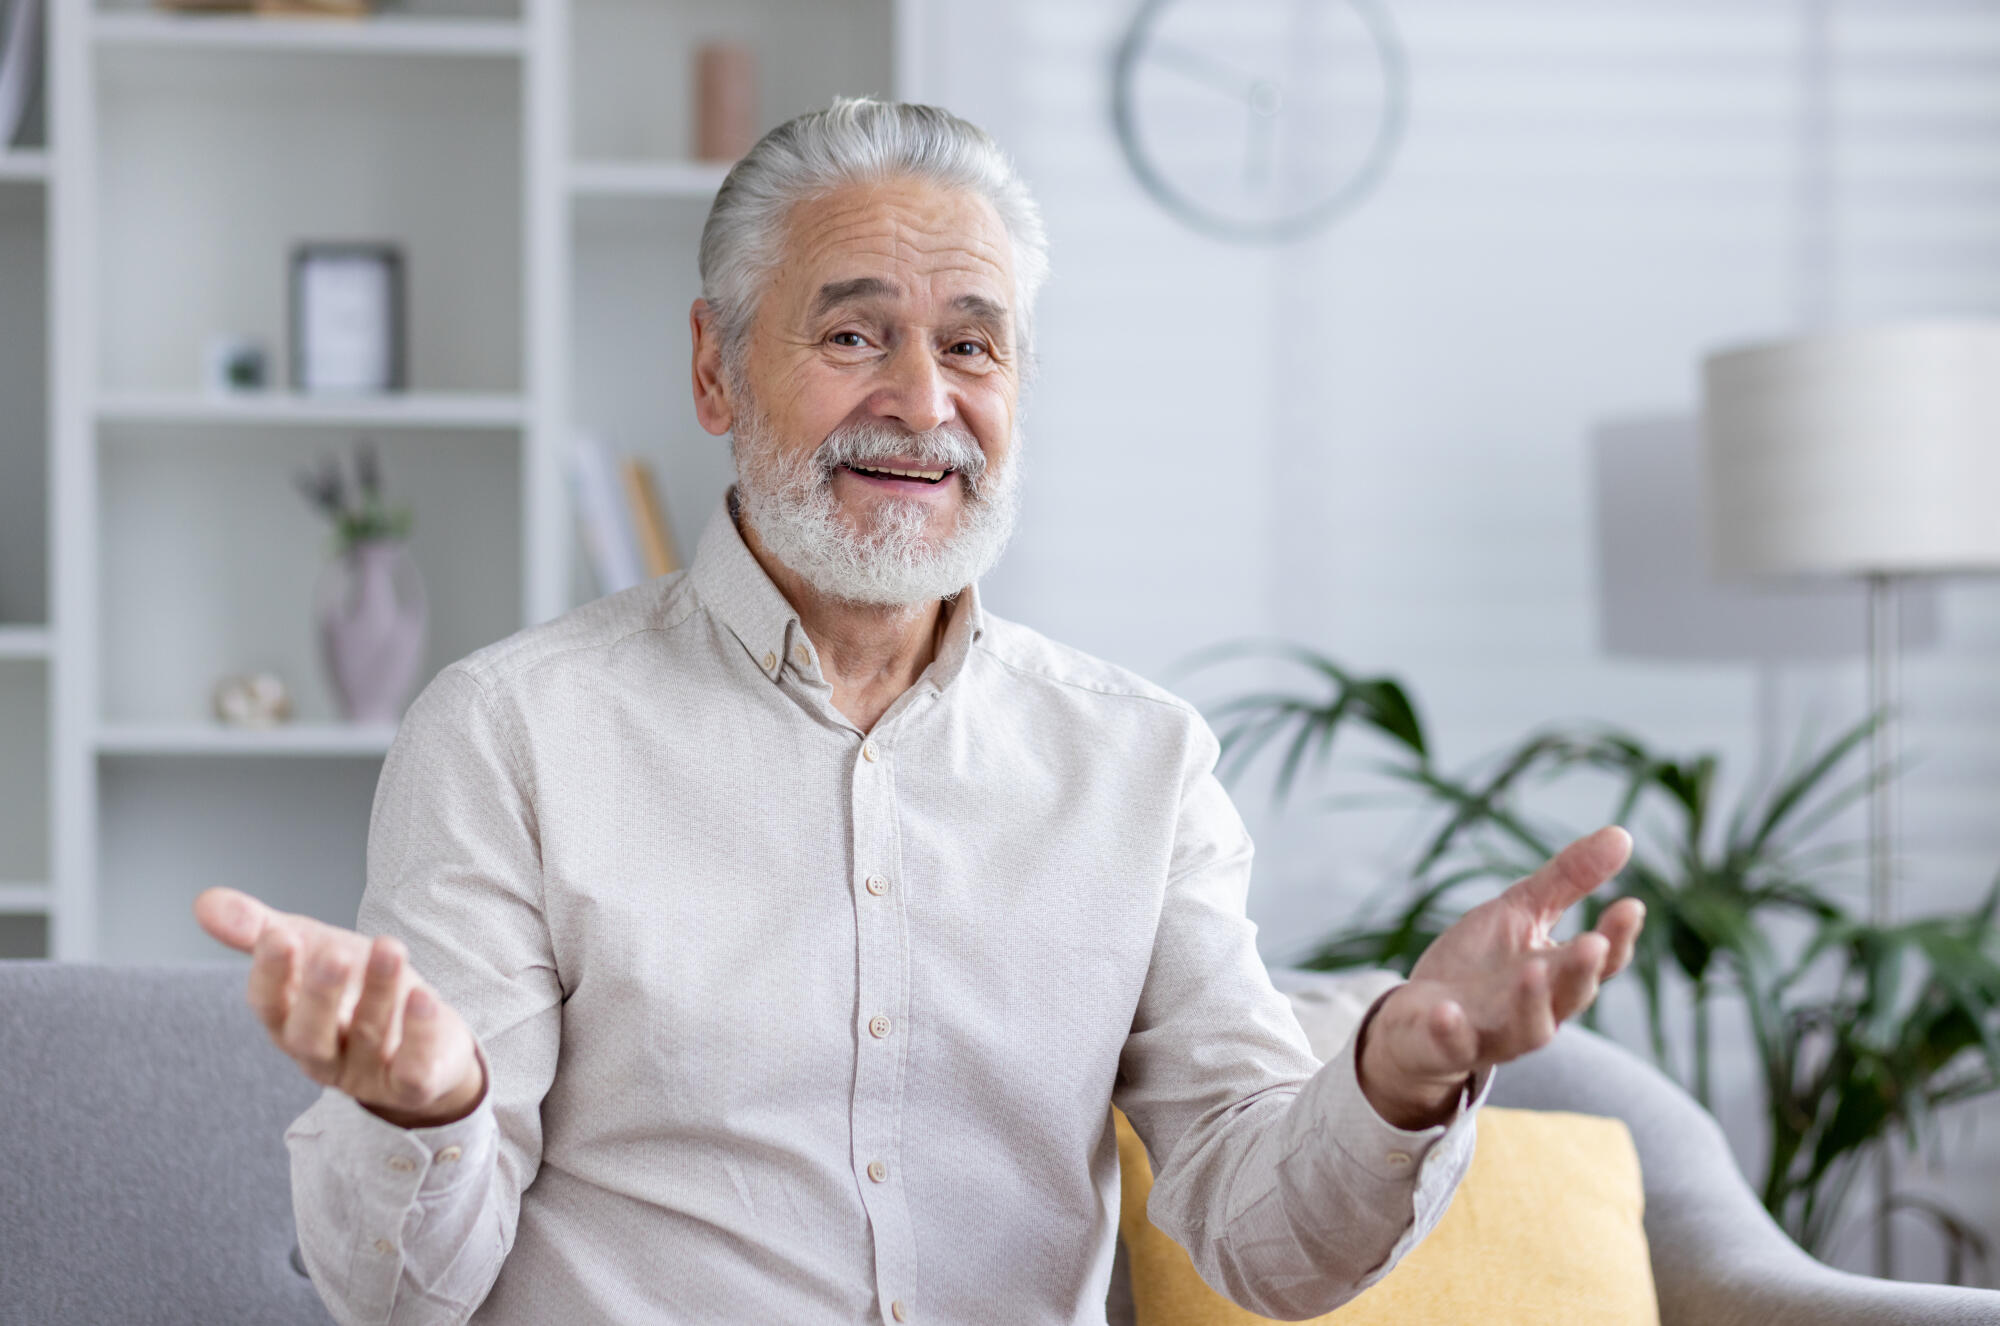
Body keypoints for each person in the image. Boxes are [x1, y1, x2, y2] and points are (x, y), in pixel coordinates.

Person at [194, 99, 1645, 1326]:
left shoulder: (1141, 763)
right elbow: (398, 1293)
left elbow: (1267, 1248)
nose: (922, 402)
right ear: (713, 366)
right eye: (853, 336)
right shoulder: (509, 733)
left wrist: (1397, 1071)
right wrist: (430, 1109)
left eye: (972, 344)